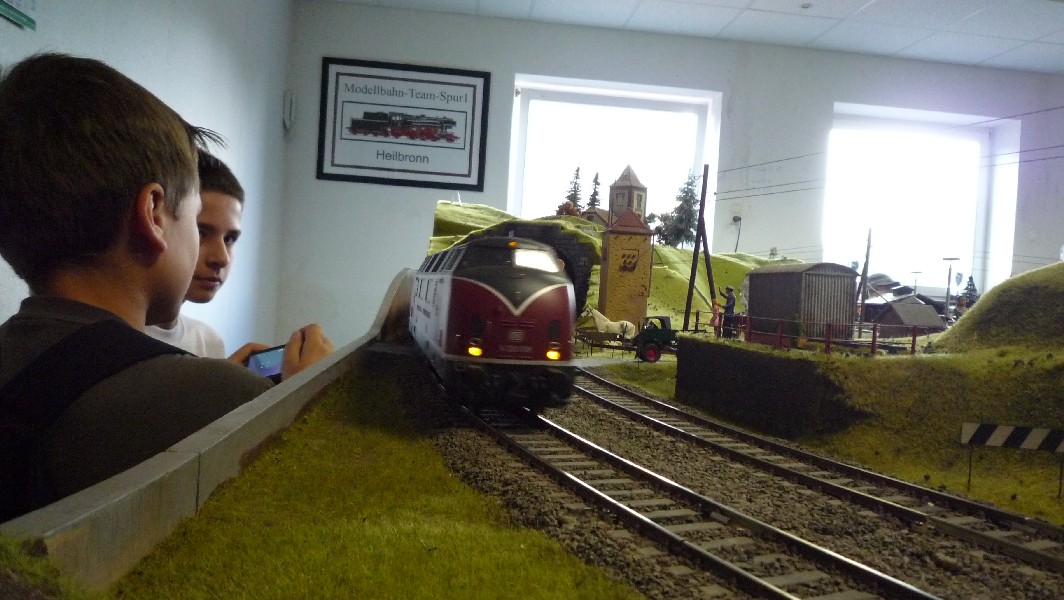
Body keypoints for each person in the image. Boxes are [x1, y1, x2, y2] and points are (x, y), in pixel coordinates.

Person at [0, 53, 333, 521]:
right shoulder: (217, 401)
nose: (214, 253)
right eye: (195, 220)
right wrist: (307, 404)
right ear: (154, 214)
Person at [145, 151, 242, 358]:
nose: (221, 258)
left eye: (229, 238)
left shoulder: (209, 343)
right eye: (201, 232)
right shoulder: (111, 338)